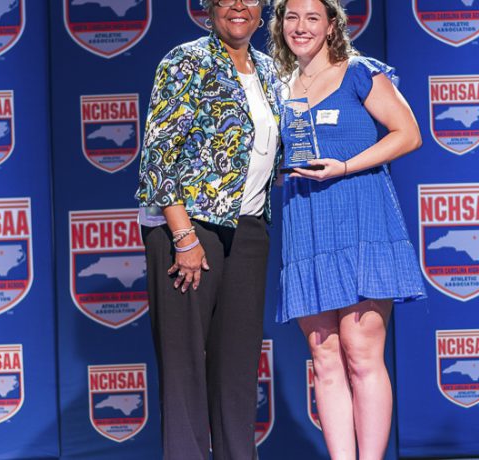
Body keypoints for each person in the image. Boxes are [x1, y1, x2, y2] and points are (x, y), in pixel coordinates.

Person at [268, 0, 427, 459]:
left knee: (361, 353)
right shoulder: (277, 87)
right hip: (306, 224)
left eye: (312, 18)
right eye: (291, 17)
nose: (300, 27)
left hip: (361, 218)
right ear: (279, 25)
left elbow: (408, 134)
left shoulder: (359, 72)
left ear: (332, 26)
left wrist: (344, 166)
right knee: (324, 358)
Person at [134, 0, 281, 459]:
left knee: (238, 368)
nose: (239, 6)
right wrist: (184, 238)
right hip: (189, 228)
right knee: (184, 369)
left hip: (249, 229)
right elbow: (158, 157)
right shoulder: (186, 60)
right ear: (209, 7)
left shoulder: (269, 70)